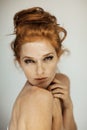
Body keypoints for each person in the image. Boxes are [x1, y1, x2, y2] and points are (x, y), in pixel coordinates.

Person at [8, 7, 77, 130]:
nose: (40, 71)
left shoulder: (62, 82)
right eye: (29, 61)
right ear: (19, 62)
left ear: (58, 55)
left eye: (47, 58)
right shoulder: (38, 99)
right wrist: (56, 115)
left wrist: (68, 107)